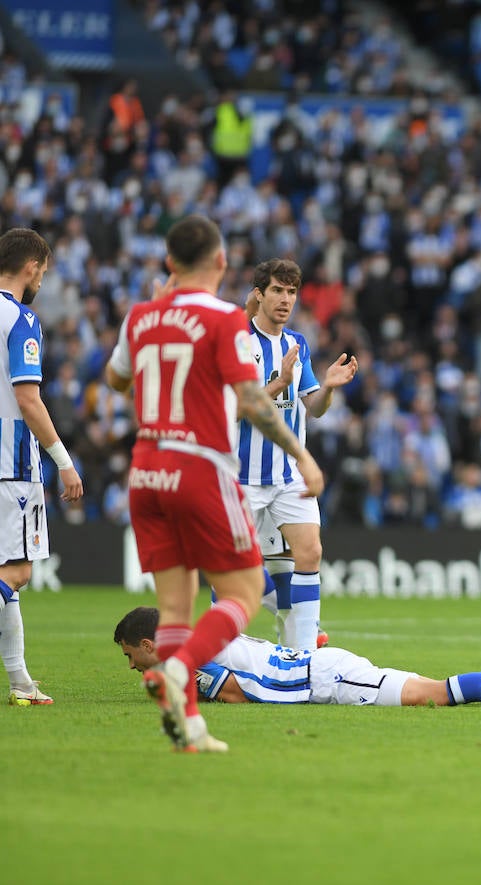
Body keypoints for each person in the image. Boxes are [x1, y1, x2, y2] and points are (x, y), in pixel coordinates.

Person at [104, 214, 325, 752]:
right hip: (199, 468)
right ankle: (179, 673)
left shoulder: (142, 316)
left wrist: (152, 321)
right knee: (246, 591)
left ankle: (190, 726)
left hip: (145, 471)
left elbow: (115, 380)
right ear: (221, 263)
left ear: (169, 264)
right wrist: (302, 455)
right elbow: (252, 399)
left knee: (175, 607)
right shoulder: (226, 321)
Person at [114, 606, 481, 708]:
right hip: (322, 673)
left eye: (131, 655)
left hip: (327, 680)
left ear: (149, 645)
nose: (131, 665)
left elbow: (237, 694)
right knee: (432, 690)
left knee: (433, 694)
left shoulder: (190, 659)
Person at [240, 258, 358, 650]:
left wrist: (328, 387)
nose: (285, 299)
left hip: (289, 474)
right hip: (241, 476)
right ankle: (223, 652)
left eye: (291, 292)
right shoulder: (238, 342)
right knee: (236, 572)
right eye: (277, 290)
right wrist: (278, 384)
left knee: (310, 552)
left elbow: (313, 407)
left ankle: (306, 653)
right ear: (259, 294)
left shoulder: (297, 343)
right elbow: (235, 407)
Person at [0, 229, 84, 705]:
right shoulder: (21, 317)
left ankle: (20, 682)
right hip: (10, 461)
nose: (42, 281)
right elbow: (28, 398)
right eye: (44, 272)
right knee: (16, 572)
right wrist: (64, 463)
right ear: (32, 267)